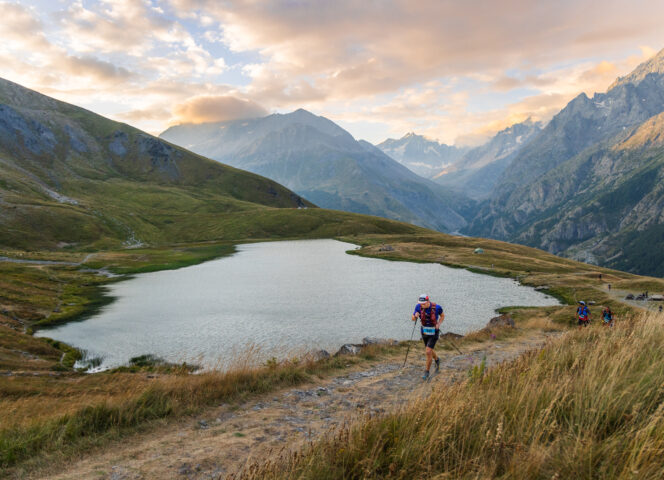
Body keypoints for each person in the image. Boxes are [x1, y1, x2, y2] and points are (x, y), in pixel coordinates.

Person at [412, 294, 444, 380]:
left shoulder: (437, 307)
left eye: (424, 303)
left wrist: (439, 324)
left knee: (428, 351)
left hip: (434, 332)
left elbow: (442, 316)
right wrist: (415, 316)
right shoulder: (418, 307)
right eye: (421, 303)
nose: (422, 305)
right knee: (429, 349)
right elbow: (412, 318)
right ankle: (437, 359)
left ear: (428, 301)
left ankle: (426, 372)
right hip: (424, 332)